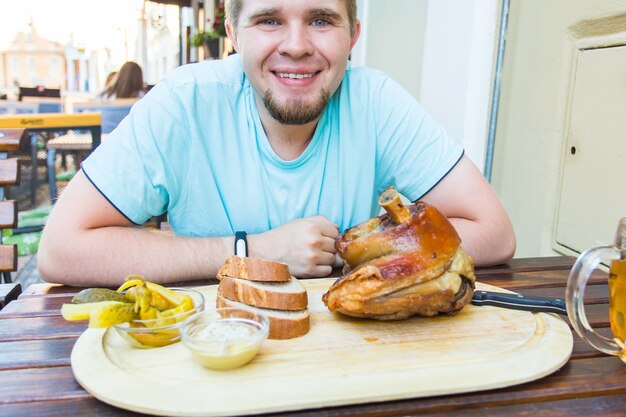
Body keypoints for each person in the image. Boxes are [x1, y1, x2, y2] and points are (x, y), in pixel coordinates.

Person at [38, 0, 515, 286]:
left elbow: (494, 231)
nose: (296, 45)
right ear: (232, 34)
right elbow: (60, 248)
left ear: (354, 36)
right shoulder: (183, 104)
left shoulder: (376, 101)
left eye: (322, 20)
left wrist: (359, 250)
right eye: (268, 20)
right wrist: (251, 251)